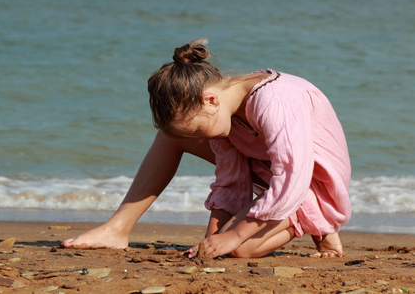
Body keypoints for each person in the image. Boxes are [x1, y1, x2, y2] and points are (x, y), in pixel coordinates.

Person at [62, 39, 351, 259]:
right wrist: (210, 240)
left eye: (199, 129)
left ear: (210, 100)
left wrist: (235, 235)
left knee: (239, 250)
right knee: (170, 136)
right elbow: (231, 179)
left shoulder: (275, 100)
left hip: (310, 181)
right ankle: (117, 229)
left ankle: (319, 221)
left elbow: (291, 178)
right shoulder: (223, 113)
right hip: (267, 167)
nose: (201, 137)